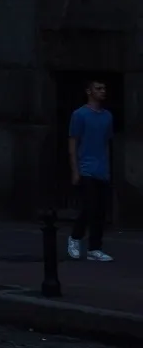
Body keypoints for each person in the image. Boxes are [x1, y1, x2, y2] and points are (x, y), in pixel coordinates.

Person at [68, 80, 115, 262]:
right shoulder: (79, 115)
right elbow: (73, 143)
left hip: (101, 169)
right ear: (89, 91)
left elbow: (106, 144)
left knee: (101, 211)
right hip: (86, 167)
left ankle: (95, 248)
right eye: (98, 88)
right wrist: (75, 170)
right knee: (89, 207)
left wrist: (108, 169)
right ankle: (75, 237)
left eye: (104, 88)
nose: (103, 91)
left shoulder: (107, 116)